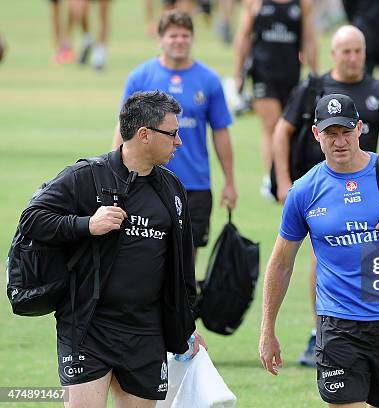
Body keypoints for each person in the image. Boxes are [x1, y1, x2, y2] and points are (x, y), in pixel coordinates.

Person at [260, 93, 379, 406]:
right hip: (338, 324)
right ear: (316, 135)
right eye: (330, 134)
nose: (340, 142)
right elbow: (281, 262)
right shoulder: (305, 190)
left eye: (346, 132)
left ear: (361, 129)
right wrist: (267, 329)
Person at [19, 91, 207, 407]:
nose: (179, 143)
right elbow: (32, 219)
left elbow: (181, 266)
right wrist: (86, 225)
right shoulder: (86, 176)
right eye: (172, 134)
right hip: (88, 326)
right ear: (144, 135)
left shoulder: (172, 188)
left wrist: (185, 327)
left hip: (147, 332)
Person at [273, 24, 379, 367]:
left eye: (357, 51)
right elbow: (282, 131)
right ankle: (321, 329)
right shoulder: (314, 87)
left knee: (365, 259)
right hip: (319, 187)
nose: (352, 58)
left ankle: (372, 326)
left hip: (370, 189)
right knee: (321, 259)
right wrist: (283, 179)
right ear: (333, 54)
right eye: (345, 51)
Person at [112, 10, 237, 259]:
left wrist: (230, 181)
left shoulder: (209, 80)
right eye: (173, 35)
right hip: (146, 180)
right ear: (160, 39)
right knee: (146, 252)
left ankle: (184, 300)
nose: (179, 41)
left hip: (195, 184)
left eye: (185, 35)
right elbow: (123, 128)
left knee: (186, 257)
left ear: (192, 39)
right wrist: (115, 173)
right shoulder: (140, 77)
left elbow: (221, 132)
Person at [234, 0, 318, 197]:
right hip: (262, 74)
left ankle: (288, 174)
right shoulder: (256, 3)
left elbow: (308, 39)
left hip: (291, 75)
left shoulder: (302, 4)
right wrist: (238, 74)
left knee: (290, 127)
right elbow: (244, 37)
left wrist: (315, 73)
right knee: (272, 126)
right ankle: (271, 177)